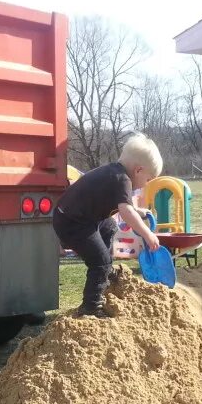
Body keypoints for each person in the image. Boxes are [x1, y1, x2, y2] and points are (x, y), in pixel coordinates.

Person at [52, 134, 163, 318]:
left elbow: (126, 205)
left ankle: (104, 270)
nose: (146, 184)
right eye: (148, 179)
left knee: (110, 226)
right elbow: (126, 211)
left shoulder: (116, 174)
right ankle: (91, 306)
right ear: (138, 170)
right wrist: (147, 234)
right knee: (100, 261)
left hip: (80, 218)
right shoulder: (122, 179)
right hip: (72, 223)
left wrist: (139, 211)